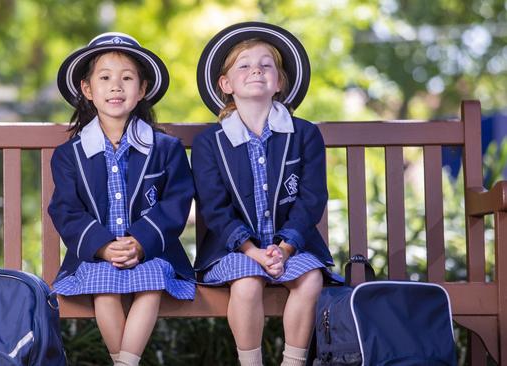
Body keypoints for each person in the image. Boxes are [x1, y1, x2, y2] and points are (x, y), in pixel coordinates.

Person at [192, 22, 342, 366]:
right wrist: (252, 251)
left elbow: (311, 198)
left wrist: (285, 246)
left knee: (311, 279)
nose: (256, 70)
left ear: (279, 82)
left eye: (266, 64)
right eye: (243, 65)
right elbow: (214, 208)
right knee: (246, 282)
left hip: (293, 246)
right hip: (233, 249)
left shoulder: (303, 134)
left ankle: (293, 361)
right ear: (226, 84)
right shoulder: (209, 142)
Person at [49, 32, 195, 366]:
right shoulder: (70, 155)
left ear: (142, 89)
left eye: (127, 78)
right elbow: (65, 209)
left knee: (153, 280)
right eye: (105, 78)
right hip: (98, 255)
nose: (116, 86)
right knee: (103, 286)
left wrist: (141, 242)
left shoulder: (165, 148)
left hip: (152, 252)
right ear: (88, 90)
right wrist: (102, 246)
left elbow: (176, 202)